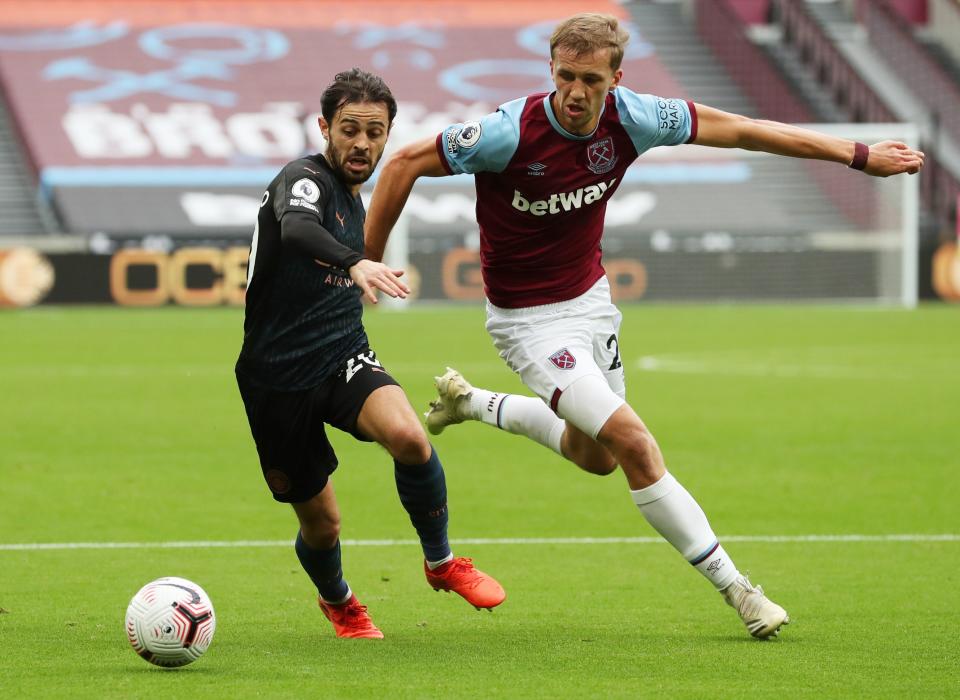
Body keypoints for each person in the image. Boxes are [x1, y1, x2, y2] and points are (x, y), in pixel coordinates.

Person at [364, 14, 925, 639]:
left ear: (615, 78)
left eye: (592, 80)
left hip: (591, 303)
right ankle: (740, 591)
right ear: (551, 69)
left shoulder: (634, 117)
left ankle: (471, 403)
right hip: (526, 322)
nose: (577, 93)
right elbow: (404, 163)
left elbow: (741, 130)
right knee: (633, 443)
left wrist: (857, 155)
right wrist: (366, 257)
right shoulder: (504, 133)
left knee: (596, 457)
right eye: (567, 76)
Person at [235, 68, 505, 640]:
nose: (362, 143)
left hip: (341, 354)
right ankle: (339, 601)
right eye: (350, 129)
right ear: (325, 128)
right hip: (276, 378)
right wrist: (354, 261)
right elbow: (296, 230)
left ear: (387, 135)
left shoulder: (359, 201)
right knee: (323, 524)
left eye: (374, 132)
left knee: (410, 437)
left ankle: (441, 563)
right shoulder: (302, 179)